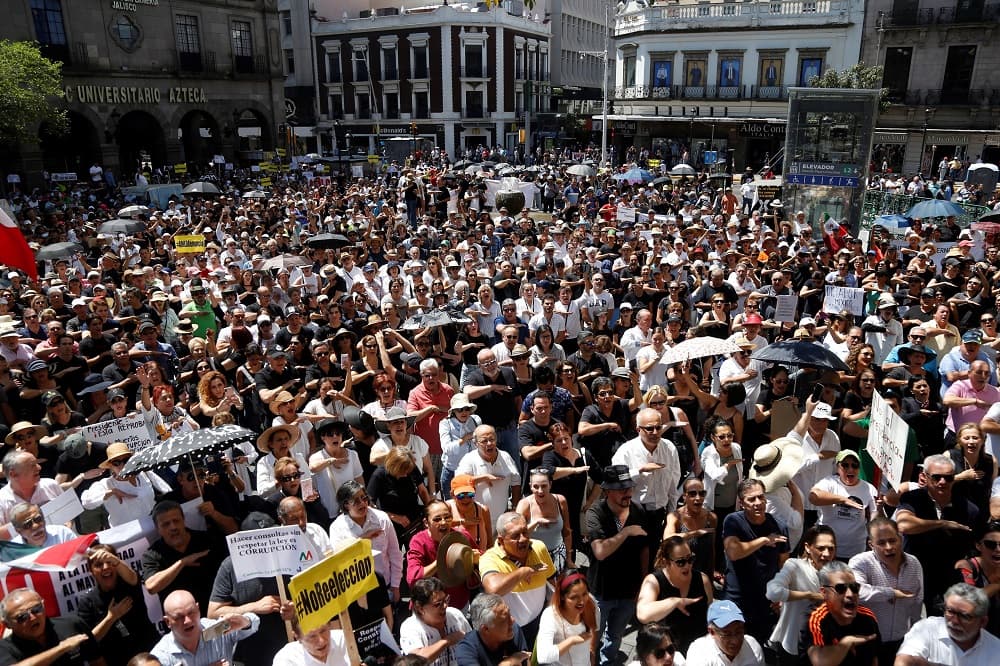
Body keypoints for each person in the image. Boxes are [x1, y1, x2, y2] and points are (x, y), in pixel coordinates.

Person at [896, 454, 981, 615]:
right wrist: (942, 523)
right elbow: (904, 524)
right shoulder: (912, 499)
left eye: (948, 478)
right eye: (936, 477)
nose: (942, 482)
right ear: (924, 477)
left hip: (948, 581)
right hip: (914, 576)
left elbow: (974, 547)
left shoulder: (969, 509)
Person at [586, 464, 649, 665]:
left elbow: (644, 550)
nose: (628, 492)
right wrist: (626, 532)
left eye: (629, 488)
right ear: (607, 491)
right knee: (593, 639)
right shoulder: (595, 513)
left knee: (615, 636)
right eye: (622, 489)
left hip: (628, 591)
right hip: (601, 592)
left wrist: (642, 583)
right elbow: (600, 552)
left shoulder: (638, 510)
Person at [721, 478, 790, 646]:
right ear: (741, 503)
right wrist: (764, 540)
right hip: (737, 600)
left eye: (761, 497)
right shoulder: (733, 521)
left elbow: (784, 564)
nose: (758, 503)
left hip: (765, 603)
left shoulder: (779, 525)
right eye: (751, 499)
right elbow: (733, 552)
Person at [848, 517, 923, 664]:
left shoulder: (914, 564)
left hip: (901, 640)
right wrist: (891, 593)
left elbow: (917, 601)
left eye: (892, 540)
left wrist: (916, 635)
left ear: (900, 539)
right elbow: (857, 592)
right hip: (868, 640)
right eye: (881, 543)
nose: (889, 547)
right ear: (871, 545)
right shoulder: (860, 562)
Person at [613, 407, 682, 564]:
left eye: (658, 427)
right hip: (633, 514)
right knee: (632, 558)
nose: (655, 432)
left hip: (658, 513)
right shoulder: (626, 451)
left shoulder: (669, 448)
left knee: (654, 556)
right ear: (638, 429)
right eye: (649, 428)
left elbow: (673, 484)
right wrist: (640, 470)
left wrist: (671, 513)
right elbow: (615, 481)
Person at [478, 511, 555, 646]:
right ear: (501, 540)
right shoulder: (489, 558)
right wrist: (523, 572)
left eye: (525, 532)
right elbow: (494, 589)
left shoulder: (539, 547)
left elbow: (552, 581)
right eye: (515, 536)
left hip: (540, 624)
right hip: (510, 633)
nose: (524, 539)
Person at [77, 544, 161, 666]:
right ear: (90, 570)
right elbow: (88, 640)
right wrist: (111, 618)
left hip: (149, 653)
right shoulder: (86, 601)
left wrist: (116, 561)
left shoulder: (128, 582)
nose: (105, 567)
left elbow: (133, 578)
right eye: (99, 565)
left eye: (109, 562)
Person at [764, 525, 837, 665]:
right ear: (808, 547)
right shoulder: (795, 566)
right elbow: (773, 591)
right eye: (821, 548)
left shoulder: (838, 573)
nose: (827, 554)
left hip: (823, 646)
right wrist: (809, 595)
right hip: (793, 644)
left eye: (831, 548)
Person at [141, 500, 223, 614]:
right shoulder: (151, 555)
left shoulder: (206, 541)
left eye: (176, 521)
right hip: (181, 623)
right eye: (166, 524)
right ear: (158, 529)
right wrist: (182, 563)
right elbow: (151, 586)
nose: (173, 527)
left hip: (214, 615)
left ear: (183, 520)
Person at [636, 535, 713, 654]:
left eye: (690, 559)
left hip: (698, 652)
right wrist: (674, 602)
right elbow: (642, 614)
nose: (688, 565)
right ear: (666, 562)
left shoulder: (703, 580)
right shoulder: (654, 581)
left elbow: (710, 615)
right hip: (667, 655)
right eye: (681, 562)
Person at [329, 480, 403, 601]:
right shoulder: (337, 528)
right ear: (346, 504)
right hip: (358, 593)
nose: (362, 503)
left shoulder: (381, 518)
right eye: (356, 501)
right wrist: (363, 539)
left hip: (385, 587)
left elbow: (395, 553)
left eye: (364, 498)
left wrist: (395, 586)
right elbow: (339, 559)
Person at [895, 582, 1000, 665]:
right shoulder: (927, 628)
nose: (954, 621)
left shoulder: (996, 650)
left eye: (964, 616)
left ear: (982, 622)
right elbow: (904, 660)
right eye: (950, 611)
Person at [150, 589, 259, 666]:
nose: (187, 621)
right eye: (179, 617)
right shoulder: (162, 655)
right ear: (167, 622)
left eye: (191, 612)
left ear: (198, 609)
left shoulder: (215, 629)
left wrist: (244, 622)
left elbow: (254, 621)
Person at [405, 500, 481, 610]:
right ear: (426, 523)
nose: (443, 522)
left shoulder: (461, 536)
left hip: (458, 606)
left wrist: (475, 559)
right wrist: (441, 560)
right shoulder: (419, 541)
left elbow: (483, 558)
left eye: (447, 517)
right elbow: (413, 577)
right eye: (437, 519)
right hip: (428, 609)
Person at [801, 560, 881, 665]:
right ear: (824, 593)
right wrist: (846, 643)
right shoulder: (815, 619)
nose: (850, 594)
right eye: (841, 588)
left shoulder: (867, 617)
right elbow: (820, 662)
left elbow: (874, 658)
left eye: (854, 587)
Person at [0, 587, 105, 666]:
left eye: (36, 609)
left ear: (44, 605)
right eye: (22, 617)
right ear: (7, 624)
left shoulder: (72, 624)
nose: (32, 617)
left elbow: (97, 661)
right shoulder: (4, 648)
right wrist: (62, 648)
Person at [809, 450, 878, 560]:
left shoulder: (869, 488)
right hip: (827, 551)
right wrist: (842, 500)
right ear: (837, 467)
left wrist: (880, 508)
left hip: (856, 552)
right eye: (845, 465)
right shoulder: (829, 482)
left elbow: (874, 519)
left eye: (854, 466)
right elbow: (813, 496)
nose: (850, 469)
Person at [455, 425, 521, 524]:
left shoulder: (506, 457)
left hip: (502, 520)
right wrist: (483, 478)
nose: (489, 444)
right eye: (484, 441)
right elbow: (458, 484)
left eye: (492, 439)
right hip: (477, 520)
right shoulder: (468, 460)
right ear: (475, 443)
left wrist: (515, 508)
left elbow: (516, 482)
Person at [399, 577, 472, 666]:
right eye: (438, 604)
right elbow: (417, 661)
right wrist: (447, 640)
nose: (445, 606)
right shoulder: (410, 627)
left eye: (446, 600)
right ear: (420, 608)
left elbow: (474, 646)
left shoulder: (455, 614)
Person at [535, 570, 600, 666]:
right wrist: (571, 641)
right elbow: (543, 656)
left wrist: (592, 652)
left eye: (584, 594)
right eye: (574, 597)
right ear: (562, 596)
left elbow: (595, 628)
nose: (581, 601)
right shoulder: (550, 616)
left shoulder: (591, 604)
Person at [515, 467, 573, 573]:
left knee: (556, 588)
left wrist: (569, 558)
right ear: (530, 487)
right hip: (533, 557)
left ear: (550, 484)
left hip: (558, 555)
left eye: (544, 486)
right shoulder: (524, 505)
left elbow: (567, 532)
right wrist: (536, 522)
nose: (540, 491)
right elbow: (516, 535)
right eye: (536, 487)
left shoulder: (560, 500)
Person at [453, 594, 529, 666]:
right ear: (486, 629)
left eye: (509, 613)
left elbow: (527, 661)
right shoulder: (466, 651)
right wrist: (508, 663)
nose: (512, 620)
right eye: (504, 619)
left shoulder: (513, 630)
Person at [954, 520, 1000, 637]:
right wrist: (996, 586)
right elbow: (968, 602)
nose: (998, 549)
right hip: (970, 637)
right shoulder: (966, 566)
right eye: (991, 544)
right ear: (978, 545)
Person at [685, 600, 765, 665]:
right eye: (727, 634)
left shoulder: (753, 647)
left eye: (739, 632)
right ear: (712, 632)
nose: (735, 641)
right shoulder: (699, 654)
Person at [272, 621, 350, 666]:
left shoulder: (344, 639)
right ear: (297, 637)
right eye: (312, 636)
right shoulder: (287, 659)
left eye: (323, 631)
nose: (321, 641)